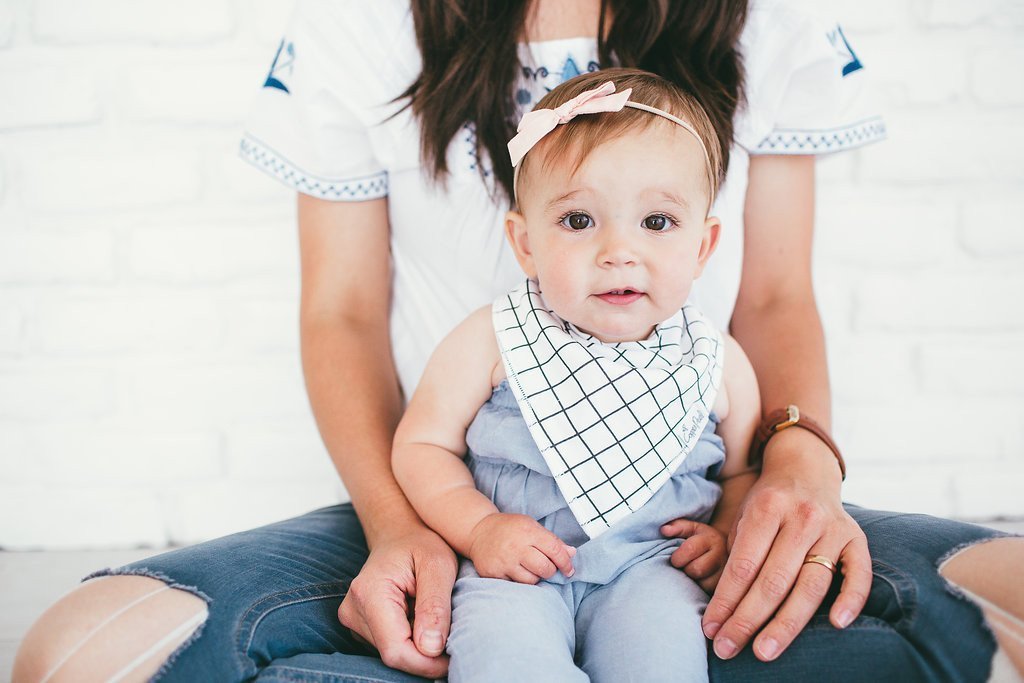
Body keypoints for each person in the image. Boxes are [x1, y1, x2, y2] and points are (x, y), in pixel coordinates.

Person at [14, 1, 1023, 681]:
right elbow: (344, 314)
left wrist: (786, 471)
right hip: (456, 516)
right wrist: (407, 525)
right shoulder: (361, 22)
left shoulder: (770, 16)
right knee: (82, 650)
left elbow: (772, 295)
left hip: (668, 533)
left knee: (1004, 598)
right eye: (576, 221)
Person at [391, 71, 763, 682]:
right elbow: (421, 445)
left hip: (653, 570)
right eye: (579, 221)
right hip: (513, 570)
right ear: (526, 243)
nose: (619, 250)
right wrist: (479, 527)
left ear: (703, 246)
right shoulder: (495, 336)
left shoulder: (715, 359)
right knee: (504, 664)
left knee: (662, 664)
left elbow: (746, 469)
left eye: (658, 222)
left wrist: (724, 530)